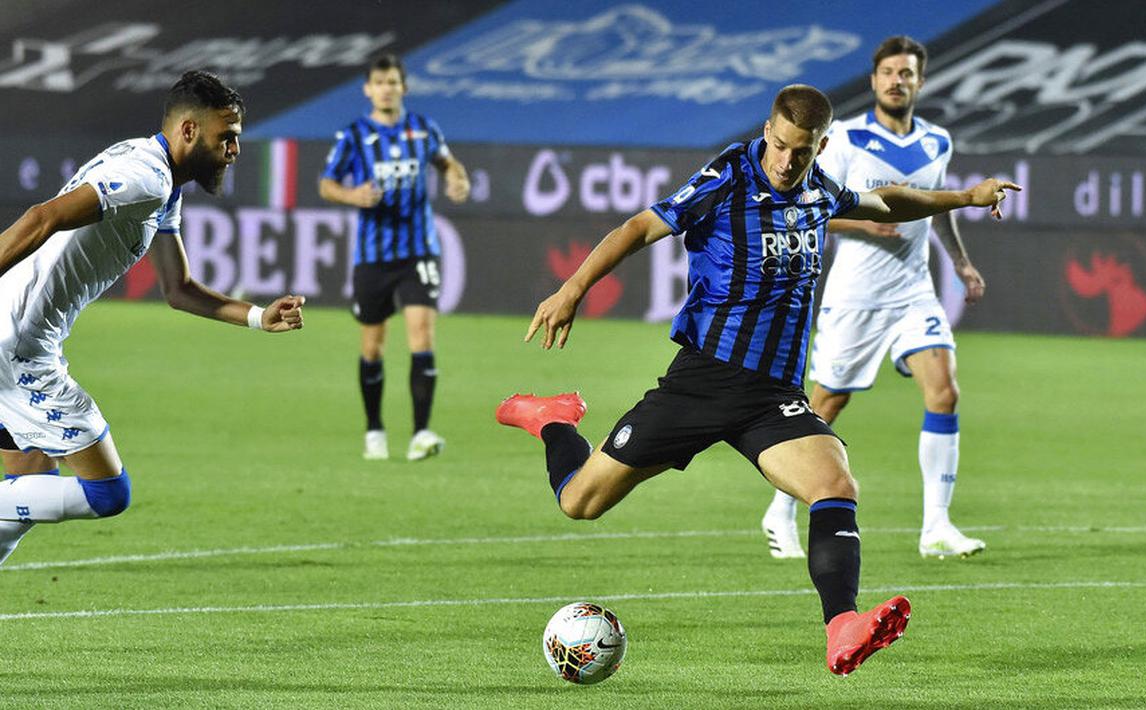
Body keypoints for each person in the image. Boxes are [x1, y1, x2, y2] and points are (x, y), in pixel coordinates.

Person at [496, 84, 1019, 674]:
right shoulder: (729, 174)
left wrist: (966, 197)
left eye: (801, 152)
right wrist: (572, 289)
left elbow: (886, 202)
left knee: (836, 486)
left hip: (772, 397)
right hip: (703, 382)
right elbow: (642, 227)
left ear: (820, 147)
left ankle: (842, 624)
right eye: (779, 146)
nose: (787, 161)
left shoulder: (819, 187)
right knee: (579, 502)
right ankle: (555, 421)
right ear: (767, 132)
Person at [0, 70, 306, 565]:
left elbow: (178, 289)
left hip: (10, 333)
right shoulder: (148, 176)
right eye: (226, 137)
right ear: (188, 131)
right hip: (18, 346)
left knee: (30, 483)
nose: (235, 150)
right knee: (106, 494)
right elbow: (42, 216)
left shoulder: (163, 184)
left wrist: (257, 316)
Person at [761, 37, 987, 562]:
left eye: (906, 73)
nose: (896, 81)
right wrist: (865, 223)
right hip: (855, 296)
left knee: (945, 391)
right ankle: (780, 509)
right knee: (824, 406)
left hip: (913, 291)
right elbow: (807, 203)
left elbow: (938, 206)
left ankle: (937, 526)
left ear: (919, 82)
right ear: (874, 80)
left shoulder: (937, 142)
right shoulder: (844, 138)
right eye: (888, 72)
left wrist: (959, 260)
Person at [319, 53, 470, 462]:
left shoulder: (423, 129)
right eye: (379, 82)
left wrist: (457, 177)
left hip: (419, 250)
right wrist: (353, 195)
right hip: (373, 256)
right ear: (368, 89)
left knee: (422, 335)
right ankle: (374, 431)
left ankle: (421, 432)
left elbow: (447, 162)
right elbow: (327, 184)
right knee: (373, 345)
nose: (386, 88)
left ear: (403, 86)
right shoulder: (353, 135)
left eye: (393, 81)